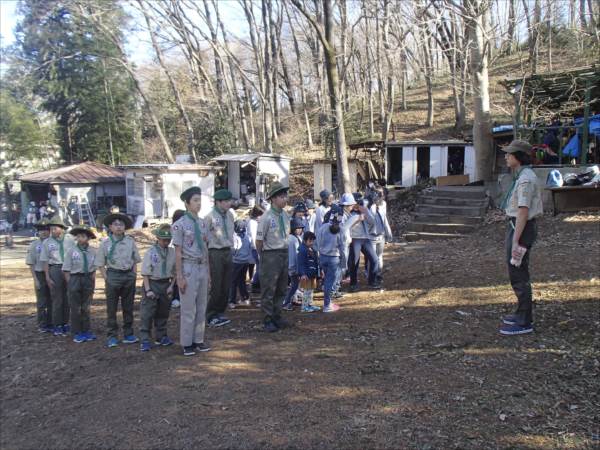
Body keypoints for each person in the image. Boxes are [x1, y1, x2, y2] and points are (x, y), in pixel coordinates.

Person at [499, 140, 543, 335]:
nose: (506, 157)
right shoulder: (522, 175)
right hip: (517, 226)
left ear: (518, 156)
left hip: (521, 228)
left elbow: (523, 211)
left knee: (518, 273)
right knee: (516, 271)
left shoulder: (525, 179)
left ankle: (525, 321)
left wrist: (516, 240)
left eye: (509, 154)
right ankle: (520, 313)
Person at [172, 186, 211, 356]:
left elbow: (205, 248)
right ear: (187, 203)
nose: (198, 203)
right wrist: (179, 276)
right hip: (188, 266)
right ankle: (187, 343)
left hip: (202, 265)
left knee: (202, 306)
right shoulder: (179, 225)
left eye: (199, 200)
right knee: (188, 307)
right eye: (195, 200)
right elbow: (178, 252)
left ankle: (198, 340)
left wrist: (208, 273)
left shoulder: (202, 223)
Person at [96, 212, 141, 348]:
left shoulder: (130, 241)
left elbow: (135, 259)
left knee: (128, 307)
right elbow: (100, 263)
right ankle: (112, 336)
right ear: (110, 227)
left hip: (128, 276)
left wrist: (133, 275)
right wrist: (106, 278)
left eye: (121, 224)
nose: (119, 227)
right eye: (115, 224)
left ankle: (128, 333)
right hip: (113, 276)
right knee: (112, 308)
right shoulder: (105, 243)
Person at [256, 182, 291, 332]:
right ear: (274, 199)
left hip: (284, 252)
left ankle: (277, 316)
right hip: (270, 254)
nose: (285, 199)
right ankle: (267, 319)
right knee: (269, 288)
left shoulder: (285, 215)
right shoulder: (266, 217)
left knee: (281, 287)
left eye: (285, 196)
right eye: (282, 197)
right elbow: (259, 240)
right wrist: (263, 256)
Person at [139, 224, 176, 352]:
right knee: (147, 313)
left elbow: (175, 271)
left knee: (163, 312)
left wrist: (171, 286)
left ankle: (161, 336)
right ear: (157, 238)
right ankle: (145, 339)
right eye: (163, 240)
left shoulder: (172, 252)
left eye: (168, 240)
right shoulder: (151, 252)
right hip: (153, 283)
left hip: (166, 284)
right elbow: (145, 272)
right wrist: (148, 290)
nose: (166, 242)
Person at [205, 189, 235, 327]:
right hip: (215, 252)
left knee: (226, 285)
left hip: (227, 251)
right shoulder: (210, 217)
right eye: (227, 201)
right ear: (218, 202)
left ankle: (220, 312)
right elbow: (203, 238)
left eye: (230, 200)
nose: (230, 203)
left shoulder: (230, 215)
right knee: (216, 285)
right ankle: (211, 314)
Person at [62, 225, 97, 343]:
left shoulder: (93, 251)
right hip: (75, 278)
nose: (80, 238)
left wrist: (92, 282)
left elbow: (94, 268)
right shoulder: (71, 251)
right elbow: (66, 269)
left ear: (88, 238)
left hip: (88, 279)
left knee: (86, 307)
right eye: (78, 236)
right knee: (75, 307)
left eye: (83, 236)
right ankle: (77, 332)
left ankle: (86, 330)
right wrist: (70, 283)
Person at [40, 215, 73, 336]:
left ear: (62, 229)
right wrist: (47, 277)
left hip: (68, 269)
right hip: (55, 269)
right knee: (57, 298)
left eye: (55, 228)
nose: (53, 231)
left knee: (67, 297)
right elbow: (45, 261)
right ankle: (57, 324)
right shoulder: (47, 243)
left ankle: (66, 323)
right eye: (51, 229)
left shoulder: (69, 239)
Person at [25, 218, 53, 332]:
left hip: (52, 273)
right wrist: (35, 279)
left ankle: (52, 322)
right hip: (39, 274)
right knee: (42, 300)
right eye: (41, 230)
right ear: (38, 231)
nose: (44, 232)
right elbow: (31, 263)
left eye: (46, 229)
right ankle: (42, 323)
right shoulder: (34, 245)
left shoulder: (53, 243)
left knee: (52, 298)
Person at [317, 211, 346, 313]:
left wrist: (319, 255)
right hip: (334, 258)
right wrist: (344, 262)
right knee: (330, 282)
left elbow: (317, 243)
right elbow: (343, 247)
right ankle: (326, 305)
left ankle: (328, 303)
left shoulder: (323, 227)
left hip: (323, 257)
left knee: (327, 281)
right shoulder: (341, 229)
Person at [229, 219, 253, 308]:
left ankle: (232, 301)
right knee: (241, 280)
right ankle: (245, 298)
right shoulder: (247, 237)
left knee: (233, 282)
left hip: (236, 262)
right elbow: (250, 248)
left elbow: (234, 250)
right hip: (245, 262)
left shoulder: (235, 238)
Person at [369, 188, 393, 277]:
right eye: (379, 194)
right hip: (371, 235)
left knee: (379, 256)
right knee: (373, 257)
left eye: (381, 194)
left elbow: (384, 219)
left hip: (381, 235)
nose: (381, 196)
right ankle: (371, 275)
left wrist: (388, 233)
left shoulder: (384, 204)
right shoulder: (371, 206)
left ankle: (378, 274)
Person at [282, 218, 305, 311]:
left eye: (300, 228)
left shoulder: (296, 237)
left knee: (295, 285)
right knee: (294, 285)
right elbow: (293, 255)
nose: (299, 230)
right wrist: (293, 268)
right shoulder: (292, 240)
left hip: (296, 266)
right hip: (293, 267)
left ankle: (292, 300)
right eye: (297, 228)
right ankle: (286, 302)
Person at [296, 231, 321, 313]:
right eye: (310, 241)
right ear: (305, 240)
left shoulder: (312, 249)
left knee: (311, 290)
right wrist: (303, 274)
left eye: (312, 241)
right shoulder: (302, 250)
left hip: (312, 274)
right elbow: (301, 263)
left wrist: (319, 271)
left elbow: (316, 262)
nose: (311, 243)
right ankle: (304, 306)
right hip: (306, 274)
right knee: (306, 291)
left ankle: (309, 304)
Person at [170, 209, 186, 309]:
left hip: (180, 255)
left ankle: (178, 297)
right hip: (175, 255)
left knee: (179, 276)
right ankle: (175, 298)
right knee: (176, 277)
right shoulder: (175, 227)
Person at [247, 206, 264, 294]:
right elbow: (254, 238)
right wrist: (258, 250)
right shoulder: (252, 223)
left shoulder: (256, 222)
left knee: (259, 267)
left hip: (258, 247)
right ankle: (255, 284)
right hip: (255, 248)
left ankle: (256, 283)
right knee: (259, 267)